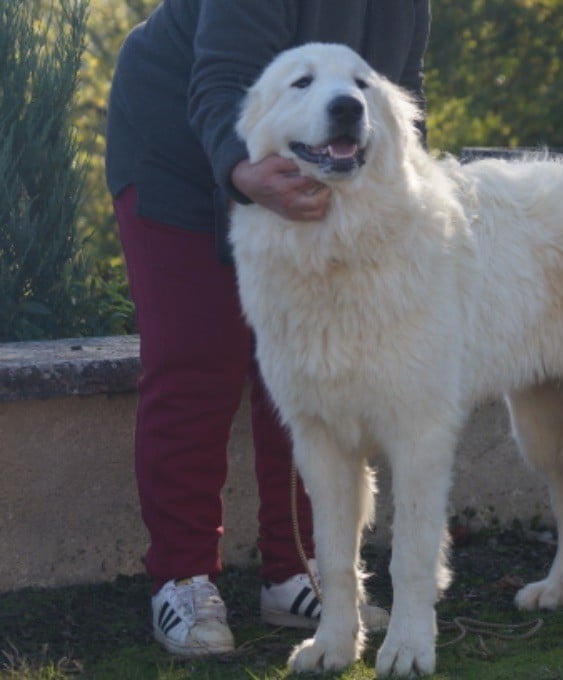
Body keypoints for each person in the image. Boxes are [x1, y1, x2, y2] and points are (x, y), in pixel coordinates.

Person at [105, 1, 431, 657]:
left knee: (310, 368)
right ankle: (182, 577)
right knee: (198, 361)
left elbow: (402, 98)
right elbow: (221, 78)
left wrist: (411, 201)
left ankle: (293, 572)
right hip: (177, 149)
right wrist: (241, 171)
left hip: (309, 165)